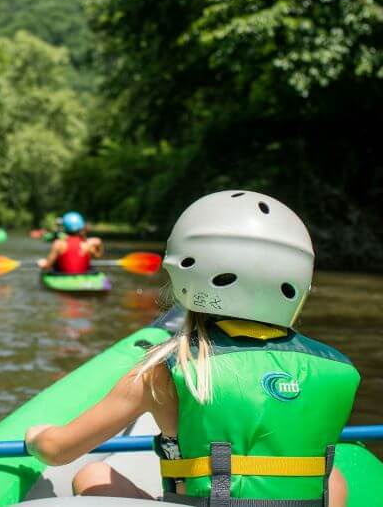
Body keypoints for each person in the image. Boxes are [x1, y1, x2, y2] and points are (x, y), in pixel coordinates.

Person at [24, 191, 357, 506]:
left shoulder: (164, 369)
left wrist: (36, 437)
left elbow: (58, 451)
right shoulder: (338, 370)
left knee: (91, 473)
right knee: (333, 476)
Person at [38, 211, 103, 273]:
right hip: (84, 277)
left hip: (63, 276)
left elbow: (47, 266)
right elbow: (98, 255)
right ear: (81, 226)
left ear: (65, 227)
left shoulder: (59, 244)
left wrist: (42, 263)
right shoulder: (88, 244)